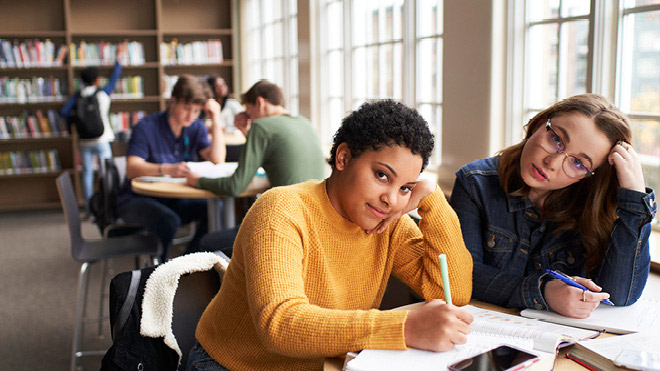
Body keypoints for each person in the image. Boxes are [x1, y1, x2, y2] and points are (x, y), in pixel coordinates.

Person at [187, 100, 475, 371]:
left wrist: (433, 199)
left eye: (406, 188)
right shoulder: (281, 210)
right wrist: (406, 327)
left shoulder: (388, 222)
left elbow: (453, 291)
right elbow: (281, 324)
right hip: (233, 365)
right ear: (343, 157)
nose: (391, 199)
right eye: (382, 176)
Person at [449, 93, 657, 319]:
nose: (552, 162)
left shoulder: (590, 206)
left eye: (578, 163)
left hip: (560, 343)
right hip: (479, 333)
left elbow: (619, 295)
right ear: (540, 123)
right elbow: (463, 276)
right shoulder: (474, 182)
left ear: (588, 176)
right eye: (557, 140)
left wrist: (635, 196)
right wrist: (543, 292)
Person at [186, 80, 326, 257]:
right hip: (313, 221)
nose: (248, 115)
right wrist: (247, 133)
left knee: (208, 241)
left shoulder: (262, 127)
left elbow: (235, 186)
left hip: (285, 223)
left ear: (259, 102)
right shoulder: (304, 122)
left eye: (248, 110)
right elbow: (273, 159)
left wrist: (197, 181)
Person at [115, 74, 226, 261]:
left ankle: (187, 264)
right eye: (187, 108)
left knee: (215, 208)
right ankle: (160, 273)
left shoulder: (195, 127)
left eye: (197, 110)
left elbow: (217, 159)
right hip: (136, 199)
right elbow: (132, 168)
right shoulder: (146, 127)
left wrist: (215, 119)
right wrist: (168, 169)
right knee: (168, 220)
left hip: (173, 198)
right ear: (173, 101)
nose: (191, 115)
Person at [60, 41, 127, 217]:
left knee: (87, 174)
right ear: (97, 79)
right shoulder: (103, 93)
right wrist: (118, 58)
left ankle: (90, 210)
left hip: (84, 141)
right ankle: (109, 206)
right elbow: (115, 77)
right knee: (107, 173)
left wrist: (75, 121)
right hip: (102, 139)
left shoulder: (78, 96)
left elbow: (63, 112)